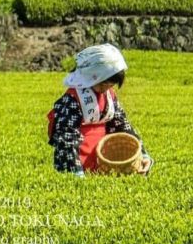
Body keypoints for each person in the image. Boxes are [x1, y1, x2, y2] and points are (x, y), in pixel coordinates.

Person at [48, 44, 152, 176]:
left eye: (111, 85)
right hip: (79, 161)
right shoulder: (72, 99)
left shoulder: (109, 96)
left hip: (104, 163)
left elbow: (122, 126)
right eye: (103, 83)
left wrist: (142, 155)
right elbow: (66, 139)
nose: (106, 88)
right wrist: (76, 173)